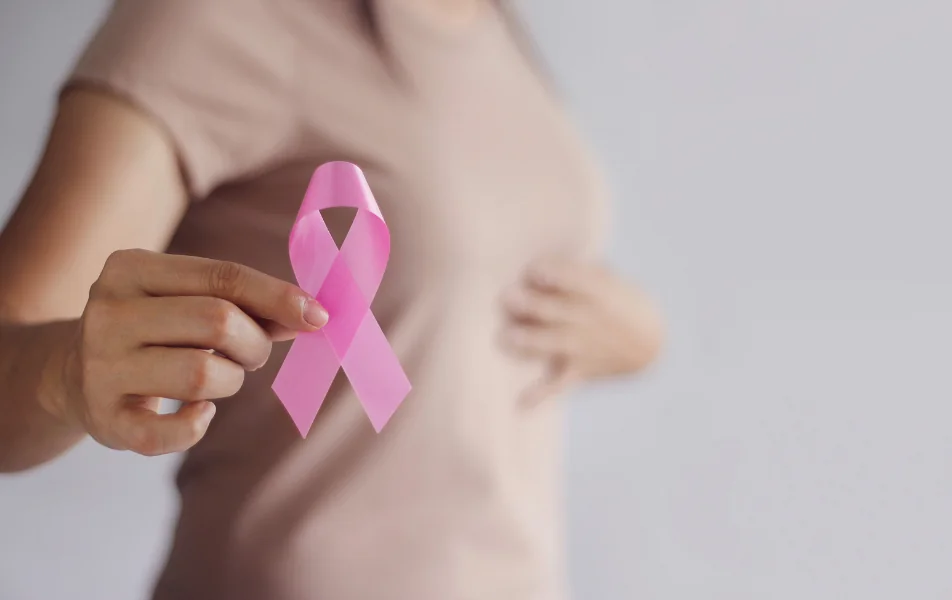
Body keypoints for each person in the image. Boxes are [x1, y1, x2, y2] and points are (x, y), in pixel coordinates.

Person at [0, 0, 663, 598]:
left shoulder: (494, 26)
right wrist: (65, 375)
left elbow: (466, 277)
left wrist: (638, 340)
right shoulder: (214, 20)